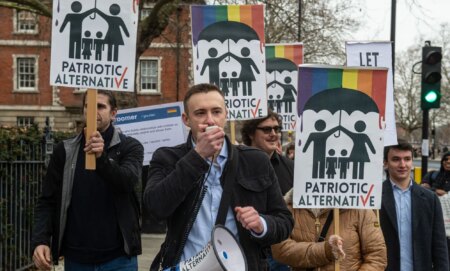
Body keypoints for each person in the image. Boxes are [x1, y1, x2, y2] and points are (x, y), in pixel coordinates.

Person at [144, 83, 293, 270]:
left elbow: (285, 221)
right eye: (200, 113)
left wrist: (261, 224)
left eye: (216, 112)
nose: (210, 120)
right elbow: (156, 207)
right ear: (186, 119)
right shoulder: (167, 157)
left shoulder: (256, 160)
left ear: (225, 115)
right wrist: (196, 157)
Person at [31, 90, 144, 270]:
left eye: (100, 106)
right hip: (76, 258)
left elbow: (127, 182)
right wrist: (40, 240)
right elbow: (48, 200)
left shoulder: (130, 147)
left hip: (119, 258)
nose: (93, 111)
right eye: (88, 106)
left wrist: (102, 159)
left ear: (113, 113)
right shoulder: (64, 150)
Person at [271, 189, 387, 270]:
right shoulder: (291, 207)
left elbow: (376, 256)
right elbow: (280, 250)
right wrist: (325, 251)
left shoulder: (360, 209)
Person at [380, 141, 449, 270]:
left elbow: (440, 245)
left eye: (407, 159)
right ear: (385, 163)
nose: (402, 164)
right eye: (396, 159)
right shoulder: (374, 196)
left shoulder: (430, 199)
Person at [241, 111, 294, 270]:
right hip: (248, 250)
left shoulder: (290, 167)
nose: (274, 134)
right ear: (251, 133)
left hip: (283, 250)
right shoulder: (236, 165)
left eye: (277, 129)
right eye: (267, 129)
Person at [420, 151, 450, 265]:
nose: (448, 161)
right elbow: (422, 188)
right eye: (446, 159)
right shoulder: (433, 174)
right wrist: (437, 191)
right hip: (433, 215)